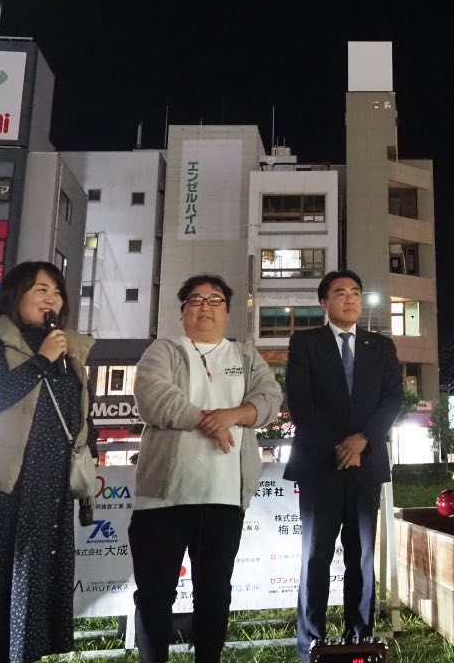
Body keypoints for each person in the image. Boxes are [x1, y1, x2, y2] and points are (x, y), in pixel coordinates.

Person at [0, 261, 97, 663]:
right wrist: (42, 359)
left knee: (37, 582)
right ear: (15, 298)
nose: (52, 299)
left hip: (52, 484)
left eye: (57, 292)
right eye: (40, 290)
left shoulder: (70, 357)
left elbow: (78, 418)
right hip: (5, 486)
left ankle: (26, 653)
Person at [130, 274, 282, 663]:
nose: (205, 307)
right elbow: (154, 399)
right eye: (195, 300)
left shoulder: (245, 356)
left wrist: (234, 414)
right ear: (182, 311)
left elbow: (269, 398)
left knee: (215, 593)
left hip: (224, 498)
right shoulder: (163, 351)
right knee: (154, 594)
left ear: (228, 312)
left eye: (215, 300)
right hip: (162, 501)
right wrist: (208, 420)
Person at [285, 270, 404, 662]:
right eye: (340, 293)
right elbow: (301, 401)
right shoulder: (305, 343)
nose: (350, 299)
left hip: (366, 465)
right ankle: (311, 643)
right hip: (321, 465)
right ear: (325, 303)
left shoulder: (381, 347)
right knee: (316, 555)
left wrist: (363, 440)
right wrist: (338, 448)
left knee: (363, 555)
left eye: (356, 292)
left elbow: (392, 399)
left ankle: (360, 639)